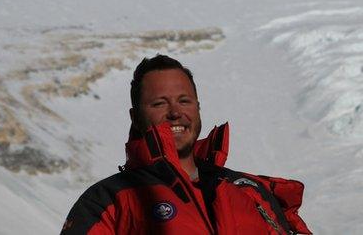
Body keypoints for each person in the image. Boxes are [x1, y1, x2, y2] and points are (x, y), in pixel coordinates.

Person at [61, 54, 312, 234]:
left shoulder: (248, 192)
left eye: (184, 101)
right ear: (135, 117)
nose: (175, 113)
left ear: (198, 107)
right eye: (159, 103)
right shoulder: (109, 201)